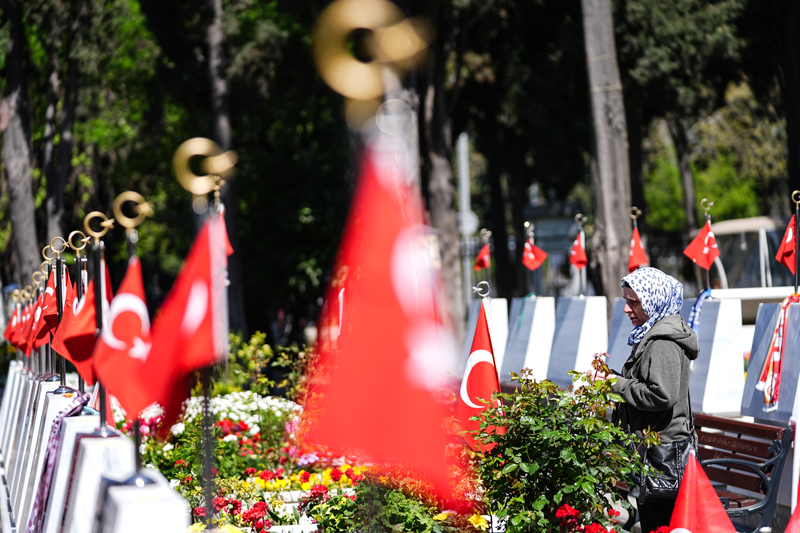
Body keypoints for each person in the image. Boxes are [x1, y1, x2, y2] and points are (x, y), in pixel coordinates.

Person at [588, 267, 698, 533]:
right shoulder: (654, 335)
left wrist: (615, 384)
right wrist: (611, 379)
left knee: (660, 526)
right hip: (656, 453)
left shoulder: (663, 342)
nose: (627, 309)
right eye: (626, 300)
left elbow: (662, 394)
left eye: (634, 302)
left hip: (662, 456)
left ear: (653, 300)